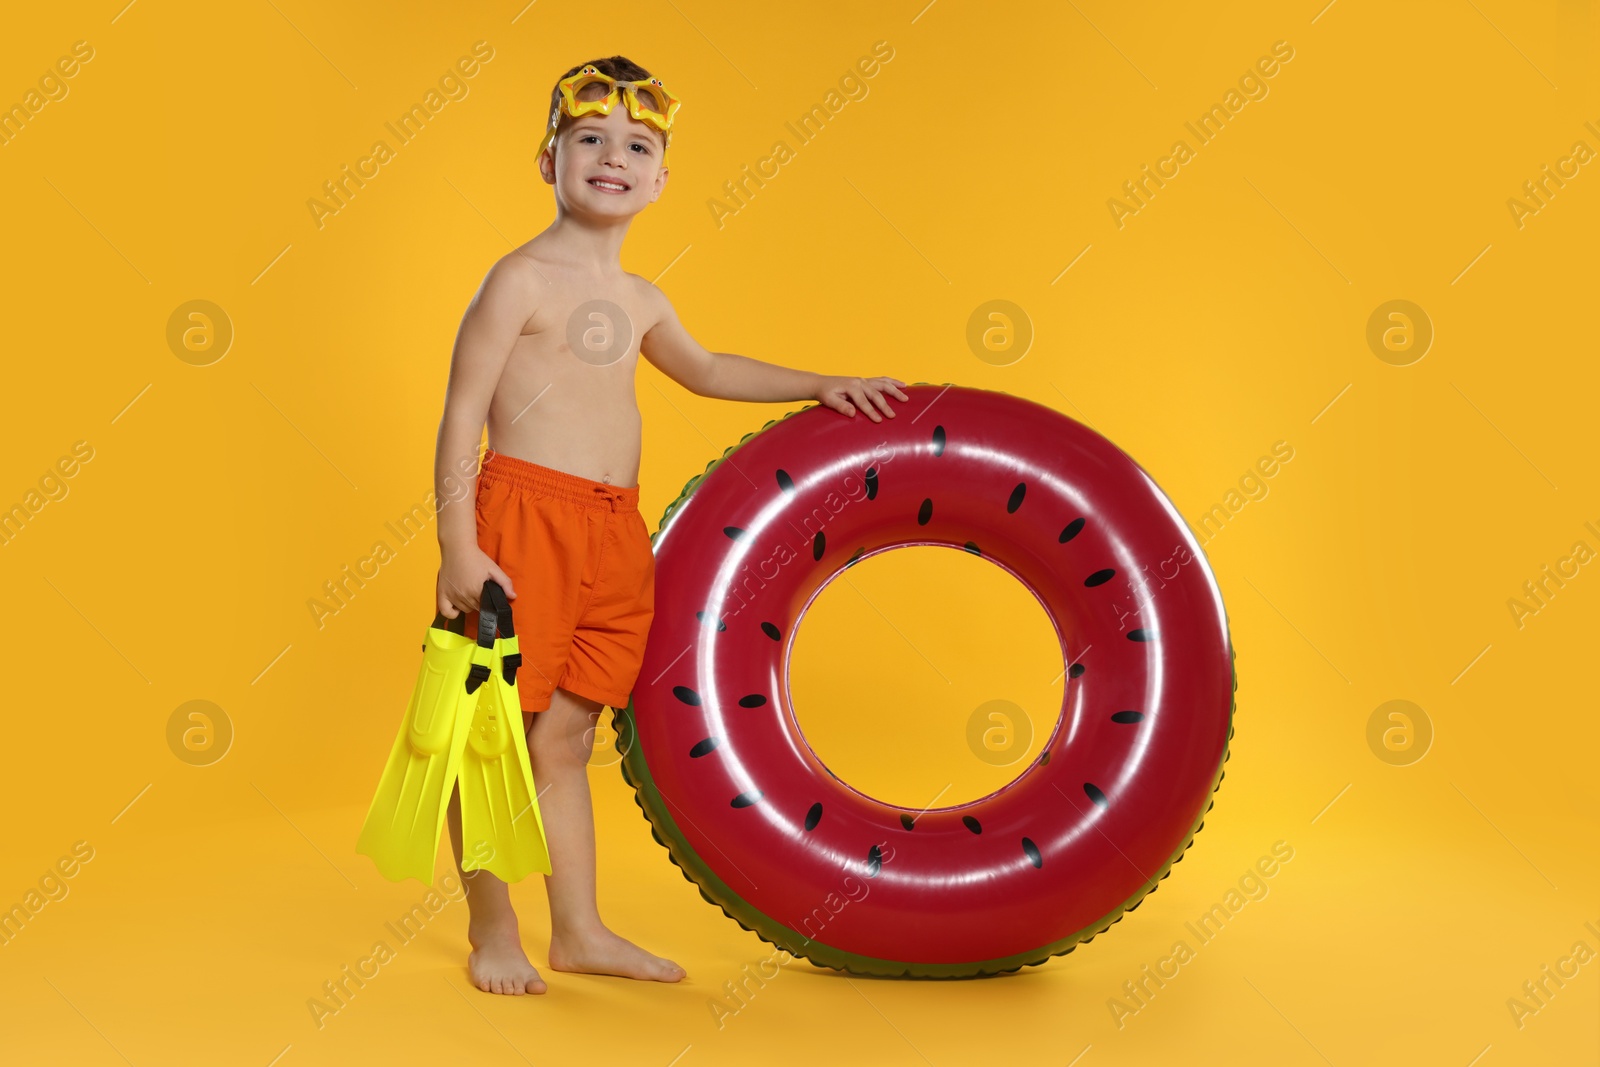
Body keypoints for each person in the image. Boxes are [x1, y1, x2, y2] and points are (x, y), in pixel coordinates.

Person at [433, 55, 909, 996]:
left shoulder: (643, 300)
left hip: (614, 534)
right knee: (488, 734)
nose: (612, 158)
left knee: (565, 743)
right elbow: (458, 418)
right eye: (590, 140)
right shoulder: (518, 281)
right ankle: (494, 925)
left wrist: (819, 383)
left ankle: (579, 929)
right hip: (522, 520)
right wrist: (458, 542)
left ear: (659, 179)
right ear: (549, 160)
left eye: (636, 147)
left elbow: (709, 370)